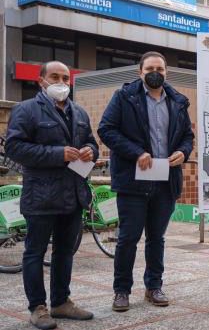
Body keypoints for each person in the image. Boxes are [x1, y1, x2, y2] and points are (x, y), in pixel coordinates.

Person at [98, 51, 194, 312]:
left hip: (165, 180)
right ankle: (121, 291)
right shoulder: (124, 97)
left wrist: (183, 153)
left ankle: (154, 287)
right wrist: (135, 152)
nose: (155, 73)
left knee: (156, 238)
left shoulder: (177, 101)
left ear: (166, 72)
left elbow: (187, 135)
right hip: (133, 180)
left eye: (160, 69)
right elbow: (106, 129)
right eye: (150, 68)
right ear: (140, 72)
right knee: (128, 238)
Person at [5, 61, 97, 329]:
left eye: (65, 77)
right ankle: (38, 308)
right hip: (41, 196)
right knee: (34, 252)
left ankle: (61, 302)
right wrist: (57, 154)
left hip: (73, 194)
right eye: (54, 76)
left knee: (65, 252)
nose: (61, 82)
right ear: (41, 80)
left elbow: (91, 141)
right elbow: (15, 147)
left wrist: (91, 150)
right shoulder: (26, 109)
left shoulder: (78, 112)